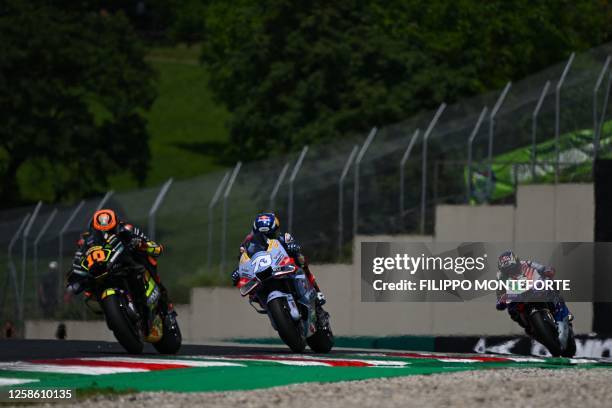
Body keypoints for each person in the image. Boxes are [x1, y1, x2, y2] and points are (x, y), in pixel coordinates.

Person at [65, 209, 172, 316]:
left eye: (109, 231)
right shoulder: (86, 239)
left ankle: (163, 297)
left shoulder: (126, 228)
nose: (105, 235)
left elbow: (148, 242)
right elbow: (78, 257)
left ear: (116, 225)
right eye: (100, 232)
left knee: (147, 258)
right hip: (102, 270)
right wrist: (74, 276)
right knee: (86, 288)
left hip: (125, 262)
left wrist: (147, 246)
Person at [231, 212, 327, 317]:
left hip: (280, 266)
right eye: (261, 235)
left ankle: (316, 291)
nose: (265, 238)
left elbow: (292, 245)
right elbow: (243, 259)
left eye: (270, 234)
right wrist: (239, 271)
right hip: (260, 273)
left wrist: (293, 247)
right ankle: (272, 309)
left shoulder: (284, 238)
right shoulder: (247, 244)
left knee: (300, 259)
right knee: (252, 293)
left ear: (276, 230)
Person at [495, 250, 572, 332]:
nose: (511, 272)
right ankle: (528, 327)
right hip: (517, 296)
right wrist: (501, 301)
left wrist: (547, 271)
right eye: (507, 271)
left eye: (513, 268)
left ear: (517, 262)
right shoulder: (500, 276)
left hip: (534, 288)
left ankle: (564, 314)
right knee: (511, 310)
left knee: (551, 285)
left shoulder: (526, 263)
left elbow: (542, 268)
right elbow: (500, 292)